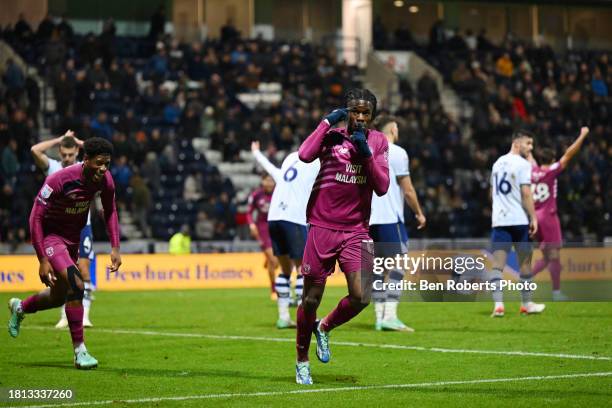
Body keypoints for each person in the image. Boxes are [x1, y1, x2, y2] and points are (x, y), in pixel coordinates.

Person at [295, 89, 389, 385]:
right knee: (310, 299)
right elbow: (304, 154)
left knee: (364, 294)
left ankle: (325, 326)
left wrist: (366, 155)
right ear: (346, 111)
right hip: (322, 226)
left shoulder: (377, 141)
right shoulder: (331, 136)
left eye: (366, 113)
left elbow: (383, 186)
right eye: (355, 111)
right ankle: (301, 361)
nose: (360, 117)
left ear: (372, 116)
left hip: (357, 230)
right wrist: (325, 123)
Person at [8, 137, 121, 369]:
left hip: (72, 240)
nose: (103, 168)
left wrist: (115, 247)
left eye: (107, 164)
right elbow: (35, 217)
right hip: (51, 237)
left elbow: (110, 210)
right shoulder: (59, 179)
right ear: (86, 159)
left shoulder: (105, 180)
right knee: (77, 284)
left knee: (59, 296)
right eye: (99, 163)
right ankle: (80, 352)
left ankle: (20, 307)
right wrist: (42, 258)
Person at [251, 141, 320, 329]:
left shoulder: (288, 164)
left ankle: (283, 317)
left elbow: (269, 168)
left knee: (285, 270)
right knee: (303, 270)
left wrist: (256, 152)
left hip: (274, 219)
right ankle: (303, 316)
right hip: (293, 220)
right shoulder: (316, 162)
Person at [31, 131, 96, 328]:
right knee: (65, 276)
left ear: (77, 151)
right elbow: (35, 150)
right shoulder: (53, 168)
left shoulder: (85, 168)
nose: (67, 158)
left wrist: (79, 141)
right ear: (59, 152)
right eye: (64, 154)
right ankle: (64, 314)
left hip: (82, 226)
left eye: (71, 154)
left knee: (84, 270)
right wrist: (60, 139)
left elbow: (102, 154)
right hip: (58, 231)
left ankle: (83, 314)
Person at [369, 116, 426, 332]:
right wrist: (419, 213)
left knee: (377, 268)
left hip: (367, 219)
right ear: (393, 129)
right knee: (398, 266)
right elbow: (408, 190)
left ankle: (379, 316)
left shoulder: (366, 150)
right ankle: (390, 316)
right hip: (389, 217)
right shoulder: (397, 152)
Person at [530, 127, 589, 301]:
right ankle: (555, 293)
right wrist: (583, 135)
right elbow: (569, 154)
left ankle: (527, 281)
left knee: (548, 258)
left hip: (535, 218)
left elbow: (531, 159)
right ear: (552, 159)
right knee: (554, 256)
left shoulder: (532, 171)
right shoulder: (551, 171)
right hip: (548, 217)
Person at [489, 129, 544, 317]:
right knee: (525, 263)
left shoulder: (497, 163)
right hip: (519, 220)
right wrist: (534, 218)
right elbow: (526, 193)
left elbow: (492, 193)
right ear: (516, 143)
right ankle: (526, 304)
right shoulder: (522, 164)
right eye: (528, 144)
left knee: (498, 264)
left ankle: (498, 306)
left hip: (499, 220)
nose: (530, 148)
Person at [246, 173, 278, 300]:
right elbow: (248, 211)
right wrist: (251, 225)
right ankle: (273, 290)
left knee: (274, 262)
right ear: (262, 181)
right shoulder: (256, 195)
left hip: (277, 226)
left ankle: (267, 259)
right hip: (263, 228)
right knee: (273, 260)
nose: (269, 183)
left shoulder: (279, 192)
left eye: (271, 180)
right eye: (267, 180)